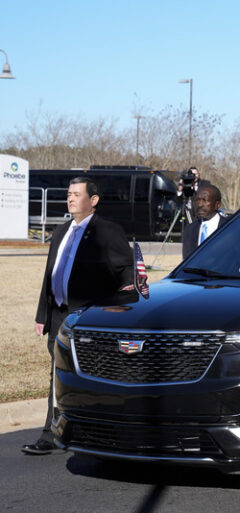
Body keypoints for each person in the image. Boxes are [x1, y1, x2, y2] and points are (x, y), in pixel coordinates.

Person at [24, 177, 135, 455]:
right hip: (60, 318)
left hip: (90, 319)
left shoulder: (108, 231)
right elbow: (51, 275)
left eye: (76, 194)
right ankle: (50, 433)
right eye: (69, 194)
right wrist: (43, 315)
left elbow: (126, 274)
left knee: (94, 378)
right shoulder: (61, 231)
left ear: (93, 200)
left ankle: (102, 433)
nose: (70, 198)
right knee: (57, 376)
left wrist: (119, 307)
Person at [182, 184, 226, 259]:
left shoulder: (229, 228)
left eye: (205, 200)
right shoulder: (189, 230)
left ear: (217, 205)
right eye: (197, 200)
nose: (200, 204)